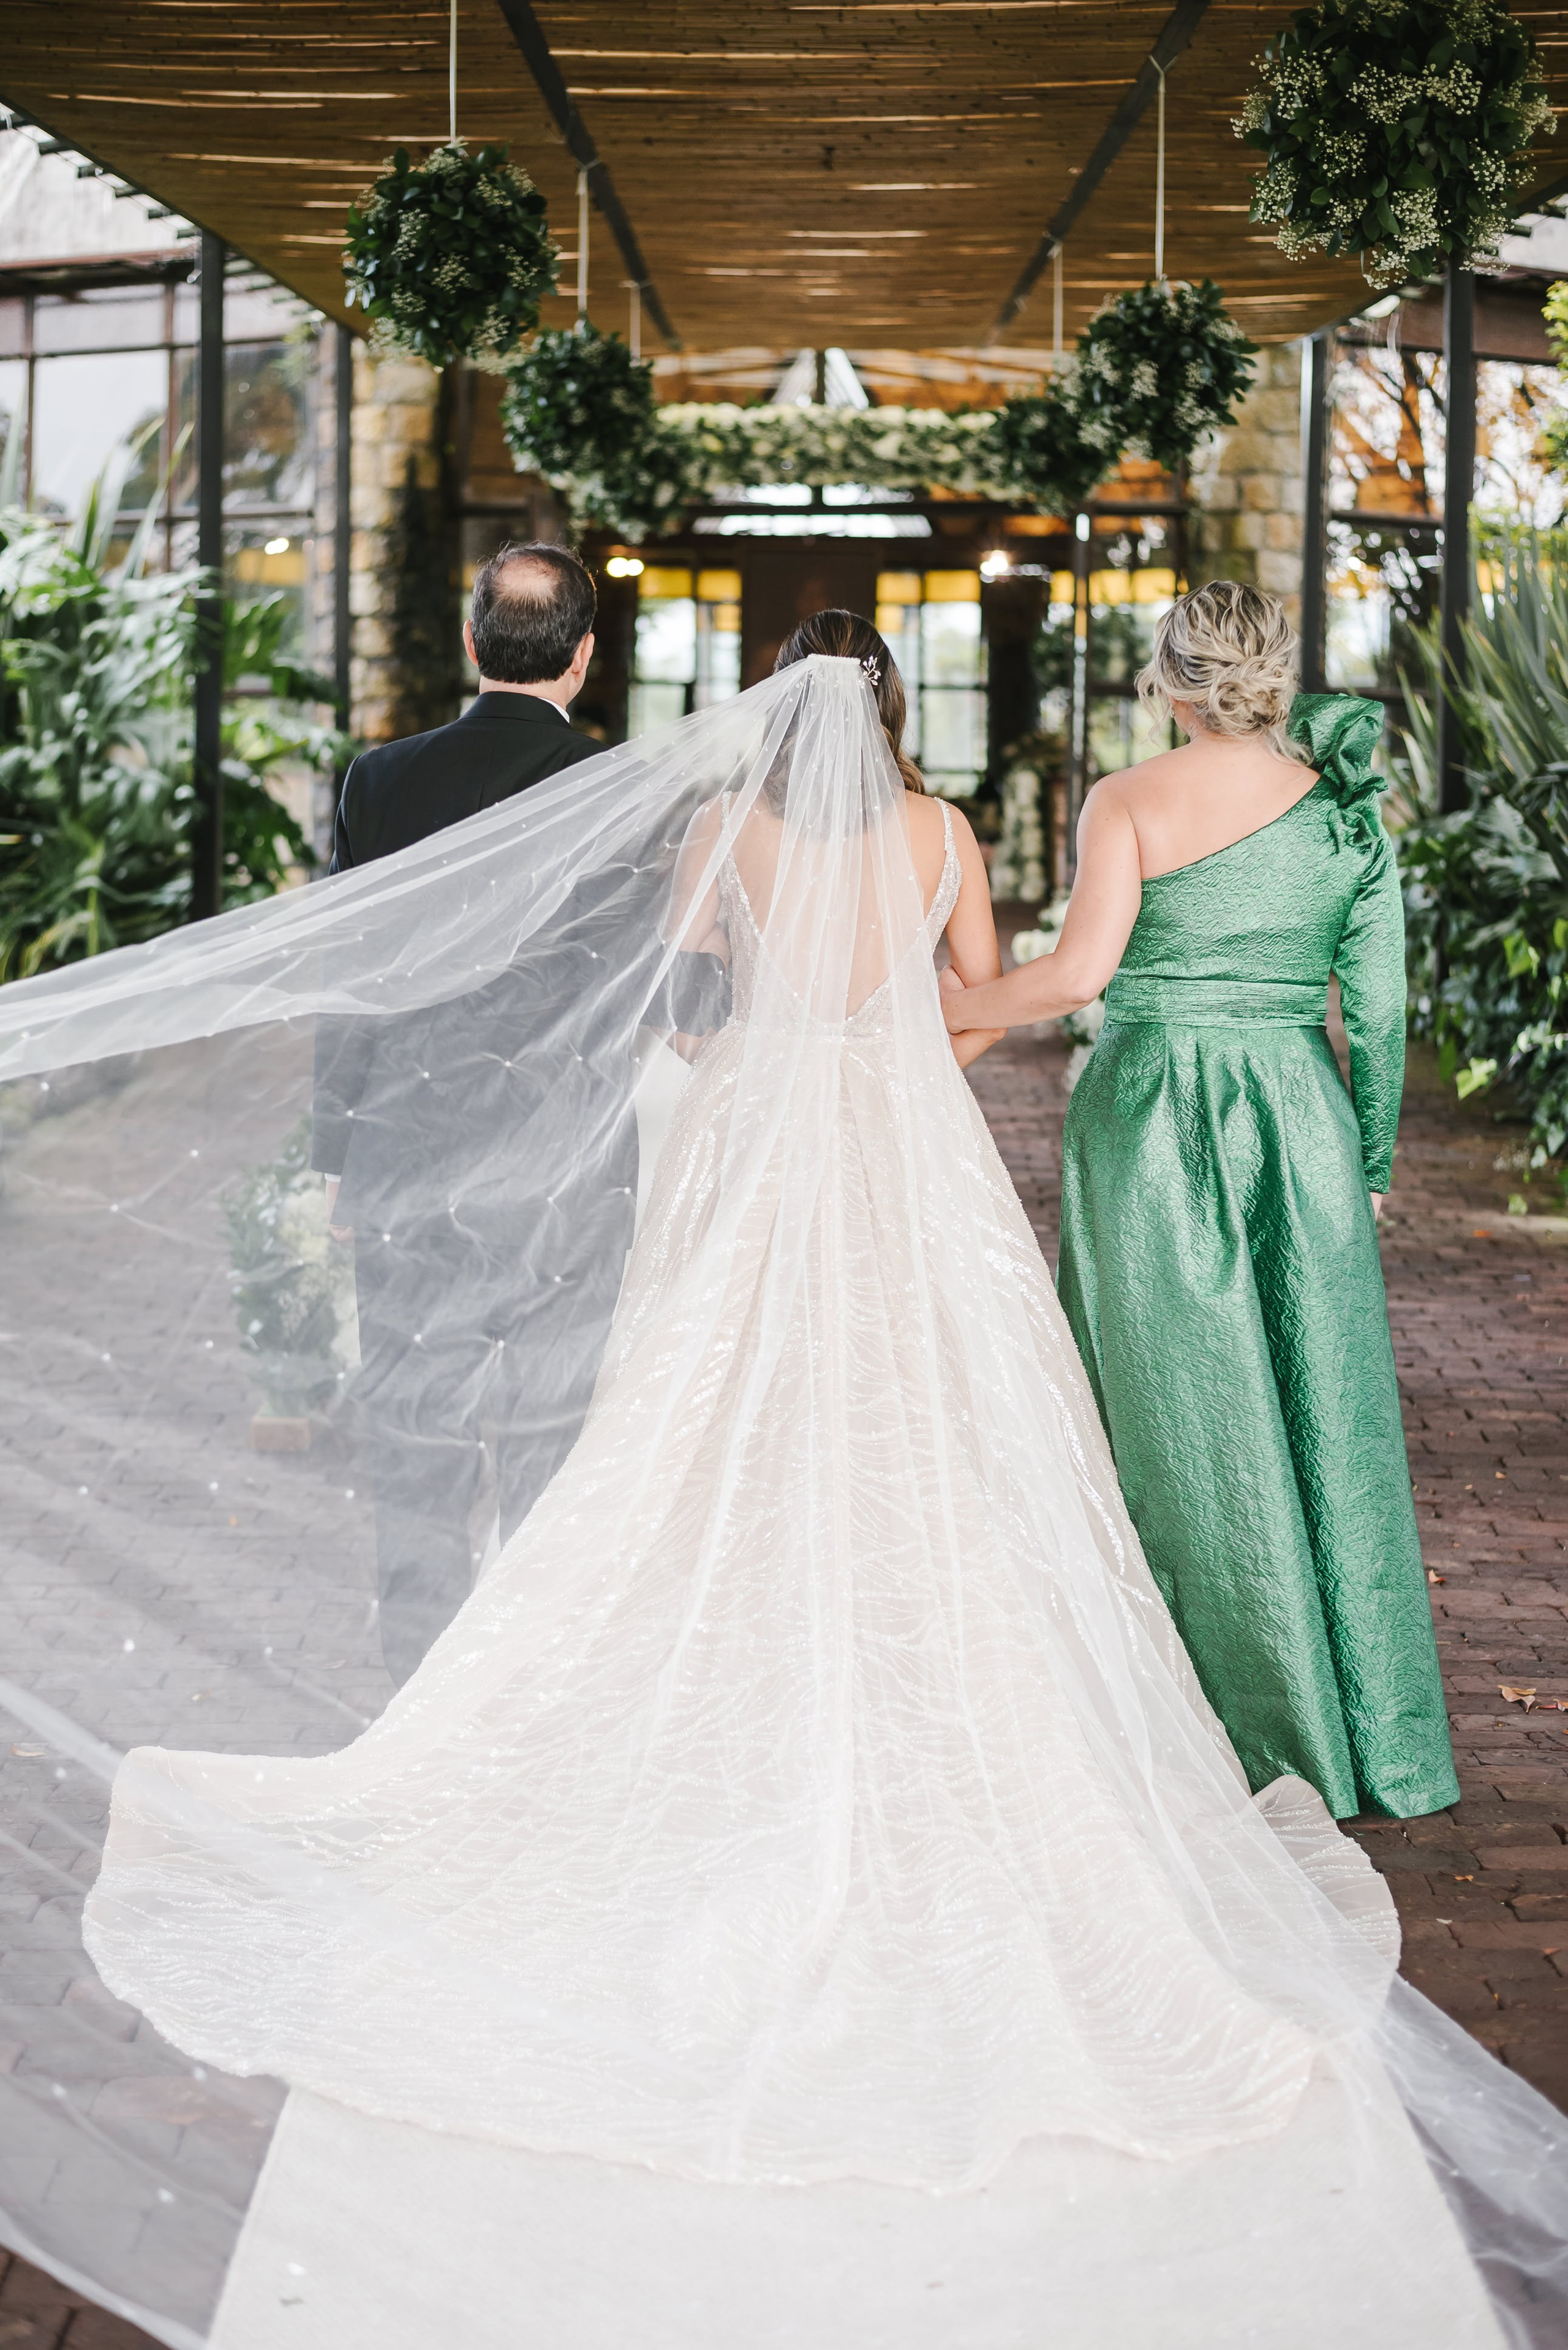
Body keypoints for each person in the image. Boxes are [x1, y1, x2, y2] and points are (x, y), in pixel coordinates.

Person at [6, 629, 1562, 2345]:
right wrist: (887, 1054)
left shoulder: (718, 833)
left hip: (755, 1132)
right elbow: (981, 993)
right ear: (895, 717)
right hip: (902, 1137)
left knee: (703, 1415)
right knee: (943, 1415)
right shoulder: (947, 831)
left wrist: (766, 1045)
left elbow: (674, 993)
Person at [943, 582, 1458, 1825]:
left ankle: (1179, 1721)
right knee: (1315, 1407)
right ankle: (1355, 1728)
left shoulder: (1126, 801)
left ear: (1165, 681)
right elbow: (1379, 1013)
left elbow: (1075, 974)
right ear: (1272, 676)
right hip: (1298, 1118)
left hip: (1154, 1111)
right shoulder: (1347, 814)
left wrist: (924, 1014)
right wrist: (1370, 1159)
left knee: (1167, 1406)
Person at [311, 541, 636, 1685]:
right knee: (550, 1437)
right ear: (586, 656)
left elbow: (347, 980)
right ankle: (528, 1704)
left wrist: (336, 1157)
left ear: (470, 644)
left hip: (408, 1147)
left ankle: (416, 1700)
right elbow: (631, 985)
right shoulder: (617, 788)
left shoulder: (377, 781)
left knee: (414, 1440)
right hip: (567, 1160)